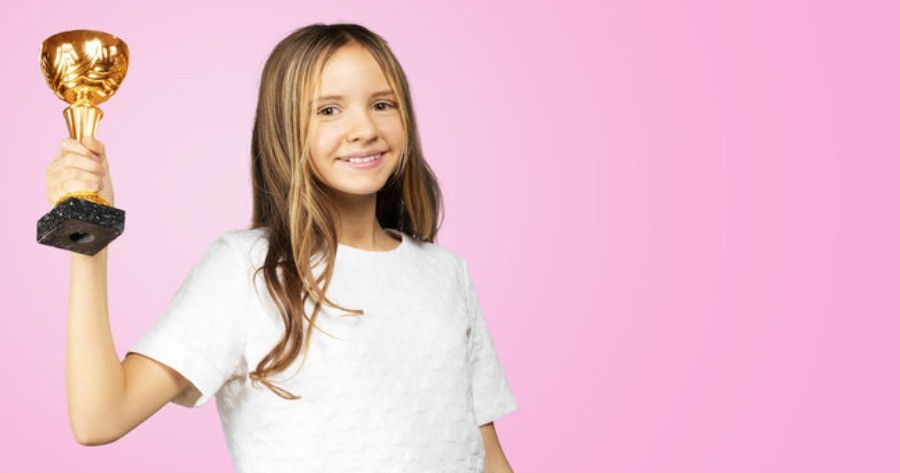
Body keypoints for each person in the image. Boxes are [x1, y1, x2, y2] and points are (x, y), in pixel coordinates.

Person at [46, 23, 518, 472]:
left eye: (382, 104)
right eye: (328, 110)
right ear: (283, 129)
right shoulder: (247, 268)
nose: (365, 129)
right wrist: (89, 231)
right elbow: (100, 417)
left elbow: (486, 456)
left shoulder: (447, 274)